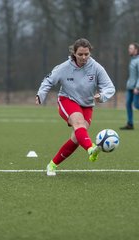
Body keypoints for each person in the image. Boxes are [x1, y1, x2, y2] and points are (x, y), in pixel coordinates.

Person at [36, 38, 115, 176]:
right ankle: (91, 149)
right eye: (80, 54)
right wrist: (40, 95)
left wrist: (102, 96)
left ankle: (52, 165)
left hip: (87, 105)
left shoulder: (96, 68)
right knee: (78, 123)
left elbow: (109, 87)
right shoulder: (64, 67)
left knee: (77, 138)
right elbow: (48, 81)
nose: (84, 57)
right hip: (67, 100)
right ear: (74, 53)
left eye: (87, 54)